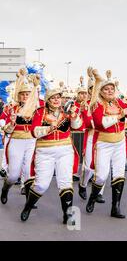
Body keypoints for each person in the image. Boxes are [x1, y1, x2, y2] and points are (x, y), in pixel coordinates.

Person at [20, 86, 83, 223]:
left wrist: (74, 116)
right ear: (48, 99)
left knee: (66, 182)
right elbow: (34, 132)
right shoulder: (39, 112)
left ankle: (67, 214)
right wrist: (49, 128)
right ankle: (28, 206)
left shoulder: (66, 111)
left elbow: (78, 126)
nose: (56, 100)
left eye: (58, 97)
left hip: (65, 150)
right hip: (45, 152)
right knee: (41, 185)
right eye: (53, 97)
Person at [86, 69, 127, 218]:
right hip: (103, 143)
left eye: (112, 88)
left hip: (119, 143)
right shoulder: (97, 105)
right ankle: (92, 197)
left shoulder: (120, 102)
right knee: (101, 176)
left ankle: (115, 208)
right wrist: (119, 116)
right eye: (106, 89)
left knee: (119, 175)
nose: (110, 91)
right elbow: (100, 123)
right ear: (101, 91)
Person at [1, 69, 39, 206]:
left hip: (31, 141)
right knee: (13, 175)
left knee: (29, 173)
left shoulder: (36, 109)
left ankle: (29, 201)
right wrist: (11, 124)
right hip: (16, 141)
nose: (25, 96)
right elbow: (6, 129)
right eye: (22, 94)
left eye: (27, 94)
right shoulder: (12, 109)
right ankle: (5, 188)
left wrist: (35, 86)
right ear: (19, 95)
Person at [78, 68, 105, 203]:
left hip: (103, 137)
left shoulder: (105, 104)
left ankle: (99, 192)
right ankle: (82, 185)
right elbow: (86, 123)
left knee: (102, 167)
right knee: (88, 167)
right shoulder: (85, 105)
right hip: (91, 136)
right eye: (91, 89)